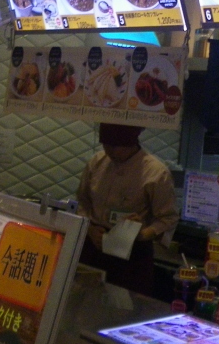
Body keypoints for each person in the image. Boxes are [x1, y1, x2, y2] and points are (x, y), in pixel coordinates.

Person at [76, 123, 178, 297]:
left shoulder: (156, 172)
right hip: (93, 246)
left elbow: (168, 219)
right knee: (86, 301)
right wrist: (90, 229)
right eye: (106, 145)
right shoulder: (97, 162)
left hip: (132, 255)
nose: (109, 151)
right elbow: (83, 203)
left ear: (132, 142)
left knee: (126, 307)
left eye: (116, 146)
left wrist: (142, 234)